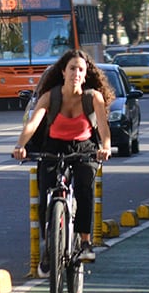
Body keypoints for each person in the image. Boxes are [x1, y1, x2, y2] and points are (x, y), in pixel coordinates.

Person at [12, 49, 114, 270]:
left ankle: (85, 242)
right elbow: (33, 124)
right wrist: (20, 145)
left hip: (84, 148)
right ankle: (50, 246)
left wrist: (105, 147)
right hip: (53, 147)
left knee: (84, 189)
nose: (76, 73)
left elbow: (104, 129)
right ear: (63, 71)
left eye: (80, 69)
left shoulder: (92, 97)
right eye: (72, 68)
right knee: (45, 194)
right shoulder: (51, 96)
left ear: (85, 75)